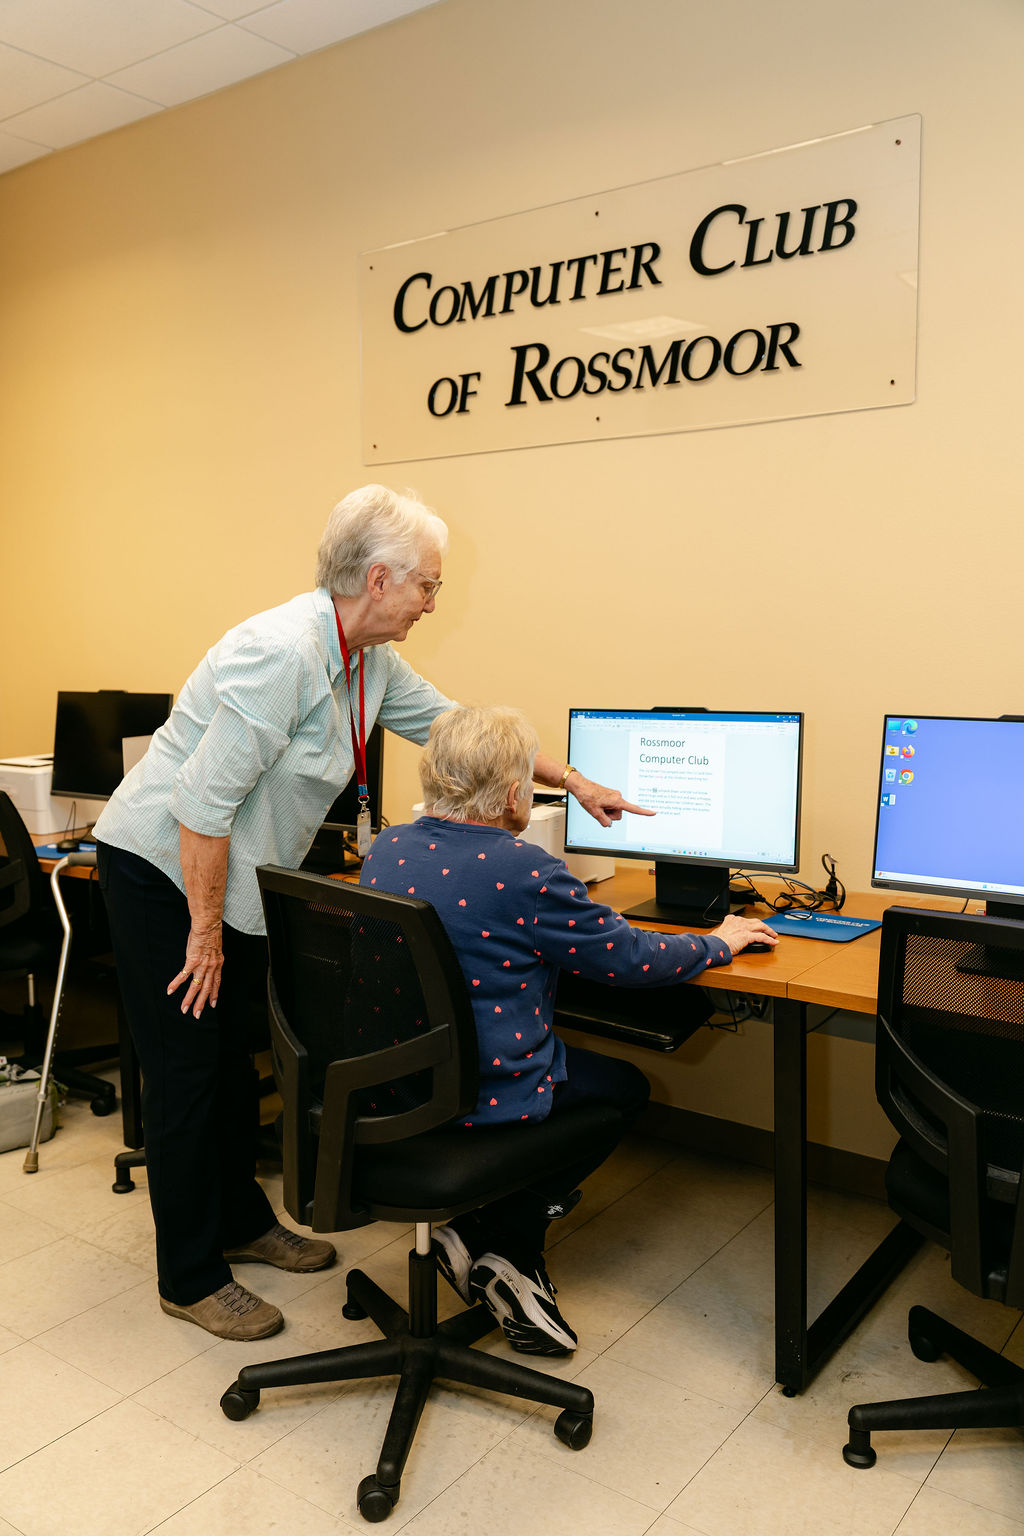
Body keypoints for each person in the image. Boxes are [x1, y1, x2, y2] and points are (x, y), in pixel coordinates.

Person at [93, 484, 646, 1341]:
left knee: (237, 1057)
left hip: (233, 873)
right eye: (428, 583)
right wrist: (204, 935)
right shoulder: (282, 654)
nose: (434, 600)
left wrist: (571, 781)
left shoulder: (367, 660)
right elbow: (199, 809)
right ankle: (190, 1274)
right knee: (188, 1072)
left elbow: (459, 728)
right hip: (165, 869)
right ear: (380, 579)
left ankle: (240, 1220)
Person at [360, 703, 778, 1355]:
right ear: (510, 796)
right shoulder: (523, 869)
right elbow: (632, 960)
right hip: (483, 1092)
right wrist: (719, 942)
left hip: (399, 1082)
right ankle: (506, 1237)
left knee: (588, 1065)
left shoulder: (389, 846)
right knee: (624, 1088)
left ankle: (483, 1233)